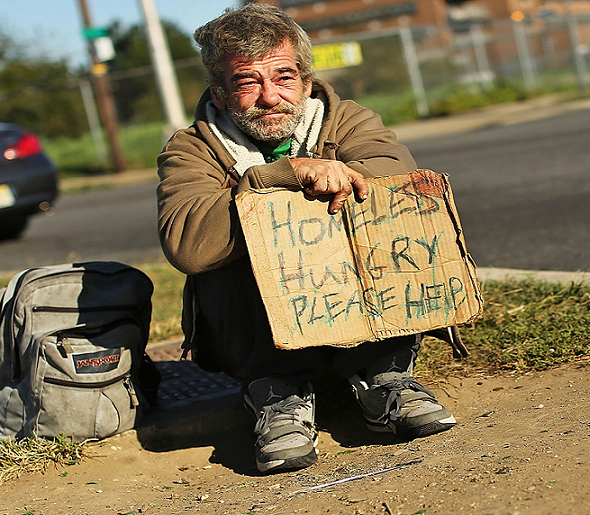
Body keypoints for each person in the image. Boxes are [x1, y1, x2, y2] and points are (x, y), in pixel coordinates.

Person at [156, 4, 456, 474]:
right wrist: (282, 177)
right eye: (247, 82)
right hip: (262, 342)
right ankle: (277, 397)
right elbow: (187, 243)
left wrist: (341, 175)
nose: (270, 97)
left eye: (283, 77)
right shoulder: (191, 147)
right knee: (229, 245)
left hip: (362, 327)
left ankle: (385, 375)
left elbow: (395, 180)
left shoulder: (347, 119)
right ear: (219, 92)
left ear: (307, 79)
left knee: (384, 216)